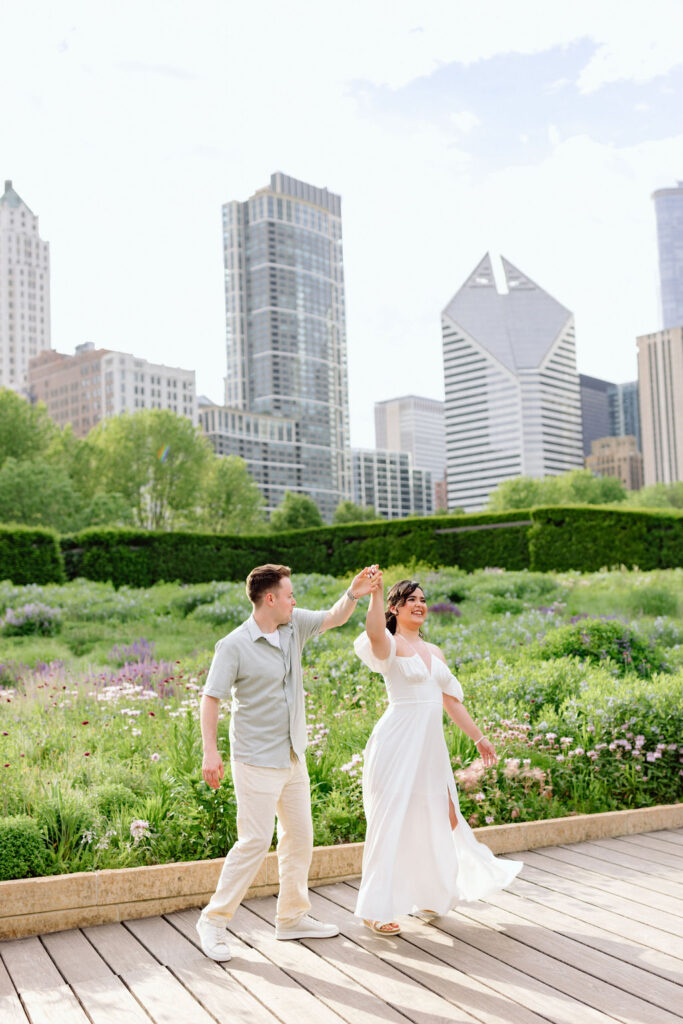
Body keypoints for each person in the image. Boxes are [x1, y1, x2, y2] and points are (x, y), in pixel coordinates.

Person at [196, 561, 378, 961]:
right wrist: (211, 753)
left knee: (299, 838)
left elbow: (334, 617)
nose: (295, 600)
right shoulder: (234, 645)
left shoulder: (293, 625)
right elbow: (211, 699)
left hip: (293, 756)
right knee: (255, 841)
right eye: (290, 594)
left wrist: (352, 592)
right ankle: (213, 921)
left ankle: (292, 918)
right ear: (270, 598)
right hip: (255, 759)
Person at [354, 575, 522, 934]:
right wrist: (375, 593)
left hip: (430, 748)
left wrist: (478, 737)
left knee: (441, 817)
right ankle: (376, 909)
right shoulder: (390, 643)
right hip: (396, 743)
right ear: (395, 609)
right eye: (411, 599)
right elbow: (372, 632)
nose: (420, 604)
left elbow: (450, 702)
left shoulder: (435, 653)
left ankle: (428, 894)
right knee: (391, 822)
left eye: (423, 599)